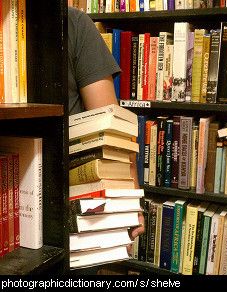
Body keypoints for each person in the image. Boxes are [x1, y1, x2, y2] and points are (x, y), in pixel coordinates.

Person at [68, 6, 145, 255]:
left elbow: (110, 131)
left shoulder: (73, 23)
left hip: (79, 213)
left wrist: (128, 206)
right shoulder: (74, 22)